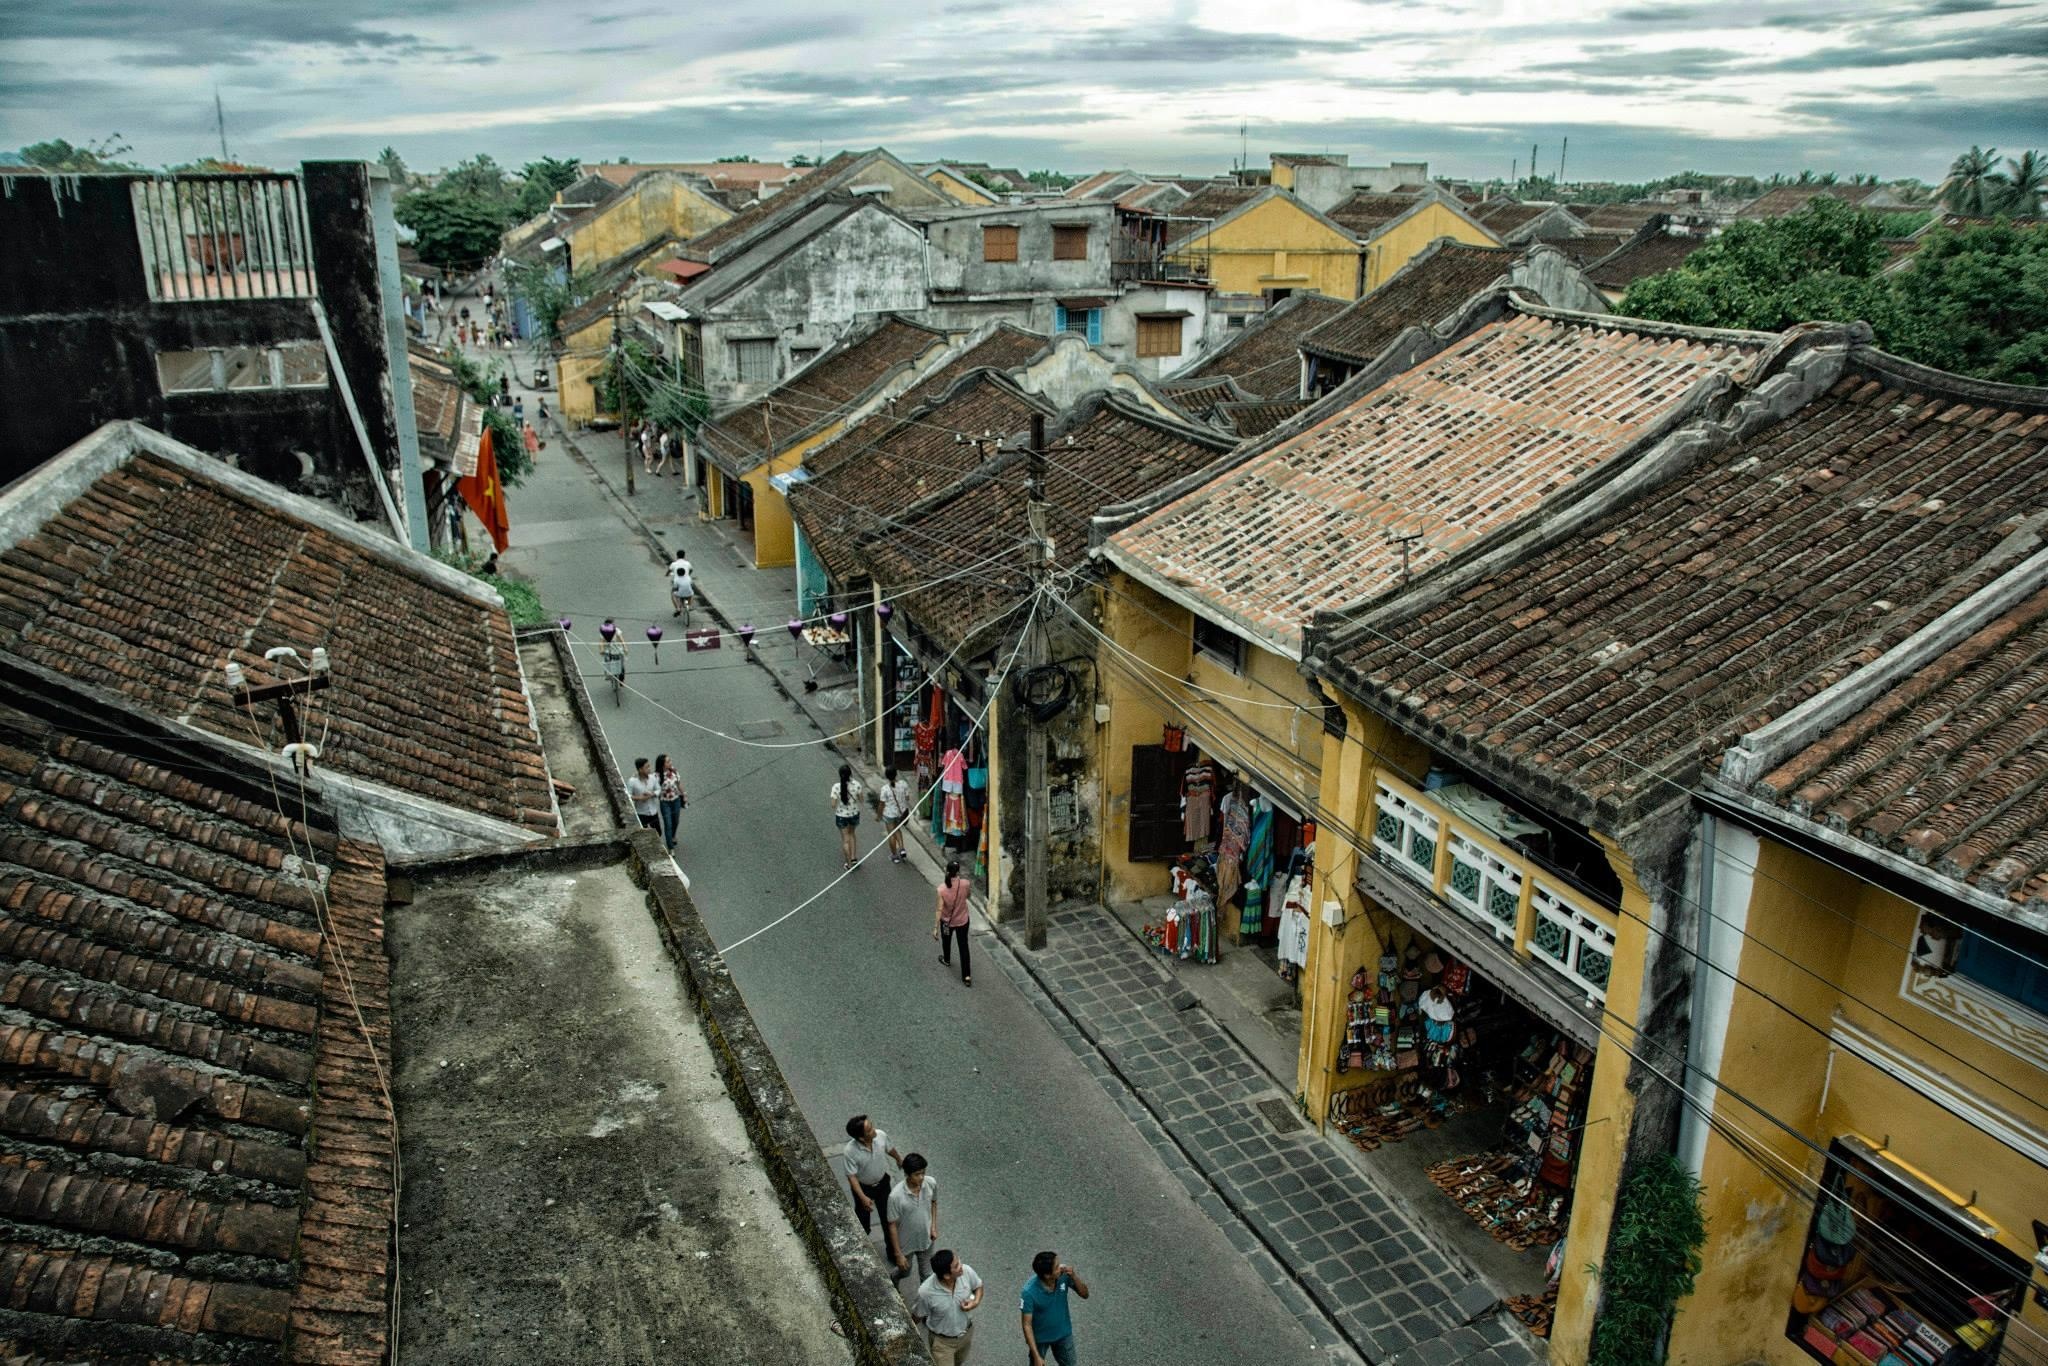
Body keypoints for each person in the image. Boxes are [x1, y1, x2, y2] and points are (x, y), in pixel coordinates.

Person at [842, 1115, 902, 1263]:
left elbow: (889, 1148)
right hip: (863, 1188)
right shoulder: (850, 1151)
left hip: (883, 1184)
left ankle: (893, 1253)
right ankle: (860, 1247)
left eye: (872, 1126)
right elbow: (852, 1177)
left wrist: (899, 1159)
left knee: (888, 1219)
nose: (874, 1130)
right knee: (863, 1220)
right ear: (861, 1138)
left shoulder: (880, 1136)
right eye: (869, 1130)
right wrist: (863, 1197)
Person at [912, 1249, 982, 1366]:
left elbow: (978, 1286)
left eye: (959, 1261)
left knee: (959, 1362)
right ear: (947, 1275)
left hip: (966, 1334)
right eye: (956, 1266)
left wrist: (975, 1301)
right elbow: (916, 1315)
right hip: (942, 1343)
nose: (961, 1266)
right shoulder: (926, 1292)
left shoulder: (966, 1271)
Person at [1020, 1251, 1089, 1366]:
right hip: (1040, 1339)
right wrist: (1036, 1356)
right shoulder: (1029, 1292)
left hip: (1063, 1335)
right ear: (1047, 1275)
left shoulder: (1064, 1276)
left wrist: (1074, 1276)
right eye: (1057, 1267)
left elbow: (1085, 1294)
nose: (1061, 1267)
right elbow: (1026, 1325)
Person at [887, 1152, 938, 1286]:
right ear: (907, 1174)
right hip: (906, 1242)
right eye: (917, 1174)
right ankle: (893, 1278)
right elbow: (892, 1225)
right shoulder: (895, 1196)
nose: (921, 1177)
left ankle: (923, 1298)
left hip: (926, 1239)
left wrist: (933, 1227)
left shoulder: (931, 1183)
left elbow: (934, 1202)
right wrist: (898, 1254)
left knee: (927, 1275)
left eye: (923, 1173)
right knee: (905, 1271)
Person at [934, 860, 971, 986]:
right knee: (963, 947)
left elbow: (939, 909)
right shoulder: (965, 884)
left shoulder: (941, 889)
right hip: (963, 920)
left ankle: (947, 959)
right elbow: (968, 896)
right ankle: (966, 976)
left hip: (947, 922)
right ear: (958, 871)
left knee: (946, 941)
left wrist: (935, 927)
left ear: (947, 871)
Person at [877, 766, 914, 863]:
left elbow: (881, 804)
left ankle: (894, 856)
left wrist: (878, 815)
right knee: (898, 830)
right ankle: (902, 849)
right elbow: (907, 798)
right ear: (896, 774)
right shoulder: (903, 784)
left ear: (886, 776)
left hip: (889, 815)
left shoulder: (884, 789)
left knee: (891, 834)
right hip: (900, 814)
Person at [831, 764, 863, 870]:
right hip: (854, 814)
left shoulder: (836, 787)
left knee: (845, 839)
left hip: (841, 816)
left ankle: (848, 864)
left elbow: (833, 805)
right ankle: (853, 858)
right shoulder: (857, 784)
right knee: (852, 834)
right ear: (850, 773)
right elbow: (861, 800)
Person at [655, 754, 685, 852]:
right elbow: (653, 788)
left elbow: (678, 783)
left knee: (675, 821)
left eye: (670, 761)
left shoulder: (674, 771)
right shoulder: (656, 776)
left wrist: (684, 794)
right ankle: (670, 847)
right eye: (668, 761)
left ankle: (673, 836)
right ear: (662, 764)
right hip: (665, 803)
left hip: (676, 800)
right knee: (668, 824)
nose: (670, 763)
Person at [627, 757, 660, 832]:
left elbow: (658, 789)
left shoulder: (653, 778)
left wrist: (651, 794)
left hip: (653, 811)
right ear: (640, 769)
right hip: (641, 813)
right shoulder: (632, 781)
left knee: (658, 832)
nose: (649, 769)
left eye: (649, 766)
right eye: (647, 767)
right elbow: (627, 796)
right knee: (644, 833)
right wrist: (640, 798)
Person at [666, 549, 695, 620]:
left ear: (677, 556)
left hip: (679, 588)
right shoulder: (688, 564)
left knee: (673, 593)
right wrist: (689, 574)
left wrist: (666, 574)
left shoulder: (673, 564)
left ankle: (678, 608)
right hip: (688, 587)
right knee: (691, 593)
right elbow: (691, 570)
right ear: (684, 556)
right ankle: (690, 605)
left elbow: (669, 571)